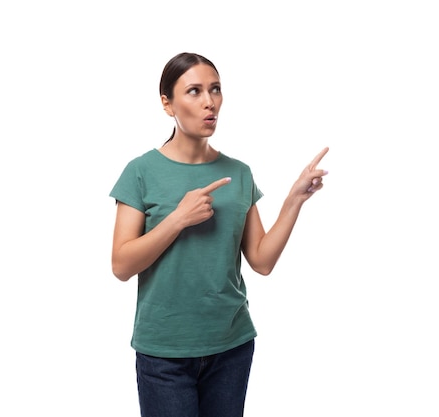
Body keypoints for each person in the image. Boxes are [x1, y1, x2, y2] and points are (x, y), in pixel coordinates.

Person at [109, 51, 329, 417]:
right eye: (194, 91)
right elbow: (121, 264)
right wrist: (178, 219)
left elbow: (261, 261)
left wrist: (294, 200)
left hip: (231, 345)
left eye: (215, 90)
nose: (210, 102)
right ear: (167, 103)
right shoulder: (140, 172)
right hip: (165, 352)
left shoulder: (239, 173)